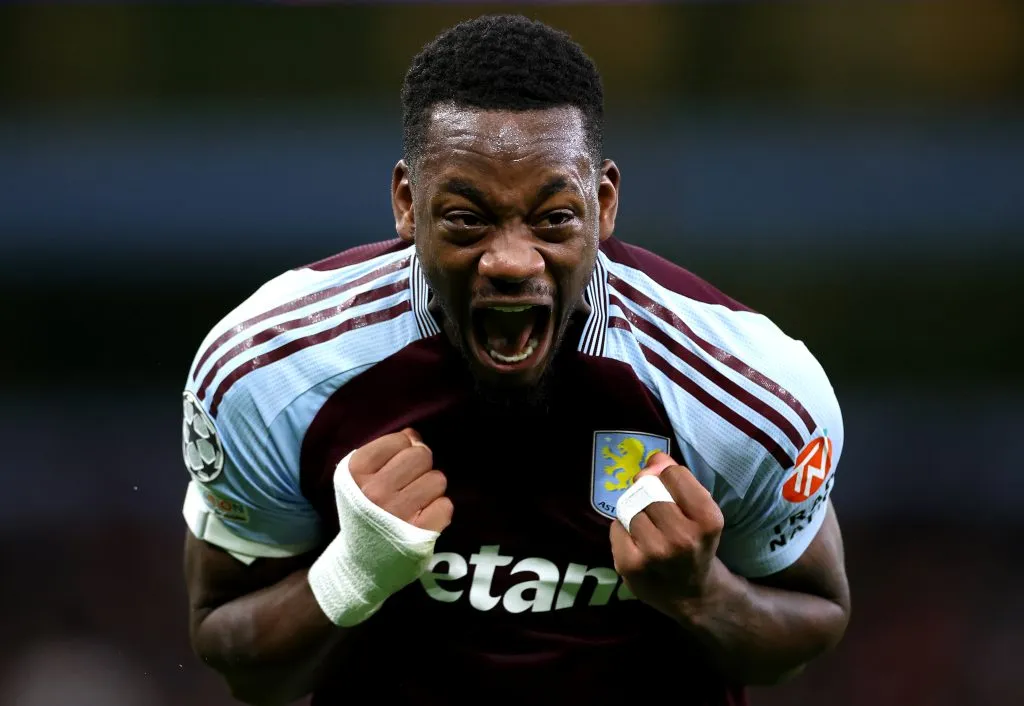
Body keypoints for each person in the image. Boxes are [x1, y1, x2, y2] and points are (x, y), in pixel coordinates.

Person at [180, 14, 850, 706]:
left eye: (553, 217)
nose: (510, 261)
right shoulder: (270, 370)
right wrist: (348, 573)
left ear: (604, 203)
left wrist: (704, 595)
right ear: (408, 204)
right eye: (467, 219)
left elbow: (812, 625)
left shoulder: (751, 394)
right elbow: (239, 660)